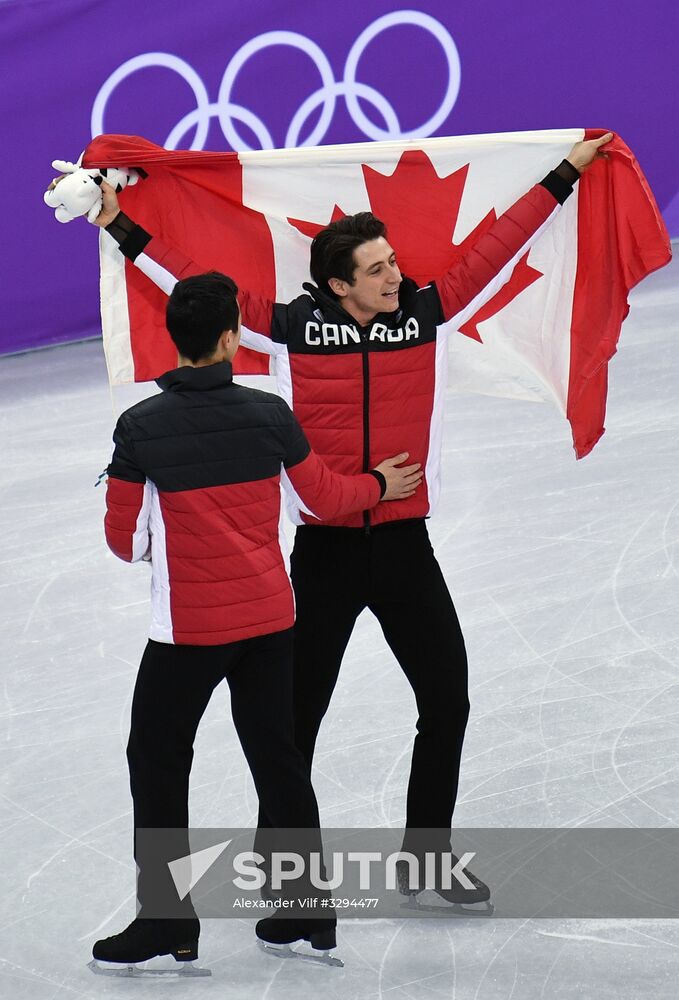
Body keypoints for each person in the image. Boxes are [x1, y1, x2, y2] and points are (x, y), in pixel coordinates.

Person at [78, 131, 612, 907]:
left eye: (392, 262)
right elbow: (193, 283)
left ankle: (425, 859)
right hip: (322, 553)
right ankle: (281, 870)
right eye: (378, 268)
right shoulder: (292, 327)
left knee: (447, 700)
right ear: (337, 284)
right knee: (290, 728)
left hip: (404, 547)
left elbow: (494, 246)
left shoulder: (422, 313)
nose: (396, 275)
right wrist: (118, 225)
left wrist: (566, 172)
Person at [90, 269, 422, 970]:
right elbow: (325, 499)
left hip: (191, 632)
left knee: (155, 760)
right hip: (272, 623)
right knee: (278, 761)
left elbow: (125, 542)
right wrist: (378, 487)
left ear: (173, 339)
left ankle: (167, 922)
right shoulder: (270, 412)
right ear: (232, 339)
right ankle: (307, 913)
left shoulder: (141, 428)